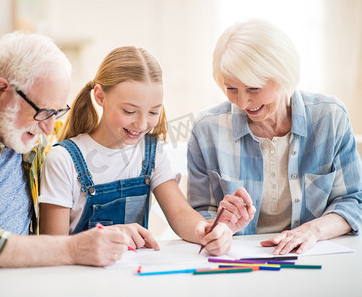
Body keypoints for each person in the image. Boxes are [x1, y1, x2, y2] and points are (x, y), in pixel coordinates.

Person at [0, 31, 131, 295]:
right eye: (44, 113)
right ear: (1, 91)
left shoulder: (25, 126)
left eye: (58, 112)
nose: (50, 129)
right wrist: (71, 249)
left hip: (22, 281)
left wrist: (110, 234)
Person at [187, 19, 362, 255]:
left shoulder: (330, 117)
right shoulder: (206, 129)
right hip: (238, 260)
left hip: (313, 255)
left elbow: (354, 201)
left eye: (254, 88)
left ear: (284, 74)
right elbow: (200, 212)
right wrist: (218, 229)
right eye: (231, 89)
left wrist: (313, 231)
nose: (242, 102)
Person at [39, 46, 232, 256]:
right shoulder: (63, 159)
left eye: (153, 111)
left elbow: (179, 212)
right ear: (100, 97)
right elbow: (52, 247)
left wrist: (204, 230)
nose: (141, 124)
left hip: (135, 276)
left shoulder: (151, 152)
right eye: (129, 111)